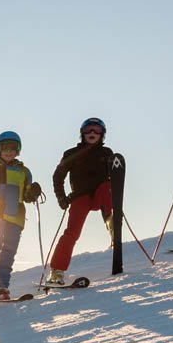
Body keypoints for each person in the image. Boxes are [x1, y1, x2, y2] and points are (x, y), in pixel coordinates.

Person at [47, 117, 119, 284]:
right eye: (88, 130)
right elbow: (58, 176)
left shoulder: (107, 153)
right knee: (72, 233)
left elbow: (116, 176)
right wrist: (61, 198)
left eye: (97, 130)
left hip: (101, 193)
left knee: (107, 186)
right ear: (82, 133)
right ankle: (56, 271)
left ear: (102, 134)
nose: (92, 133)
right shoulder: (72, 153)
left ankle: (114, 226)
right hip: (81, 196)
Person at [0, 131, 42, 300]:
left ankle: (2, 288)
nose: (8, 151)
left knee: (9, 252)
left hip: (16, 217)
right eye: (4, 148)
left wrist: (33, 193)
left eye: (12, 148)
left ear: (18, 150)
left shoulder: (24, 172)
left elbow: (27, 195)